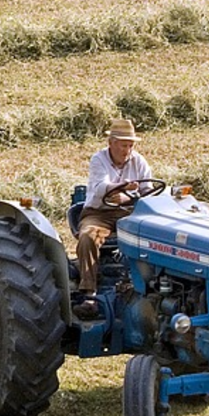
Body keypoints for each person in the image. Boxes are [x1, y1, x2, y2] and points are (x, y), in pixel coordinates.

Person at [75, 118, 153, 315]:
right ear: (111, 143)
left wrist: (128, 196)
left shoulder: (138, 161)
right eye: (123, 145)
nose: (127, 150)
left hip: (129, 213)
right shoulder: (98, 160)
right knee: (88, 238)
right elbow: (100, 187)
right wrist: (120, 187)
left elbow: (149, 191)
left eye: (130, 145)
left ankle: (145, 287)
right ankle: (89, 294)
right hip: (100, 213)